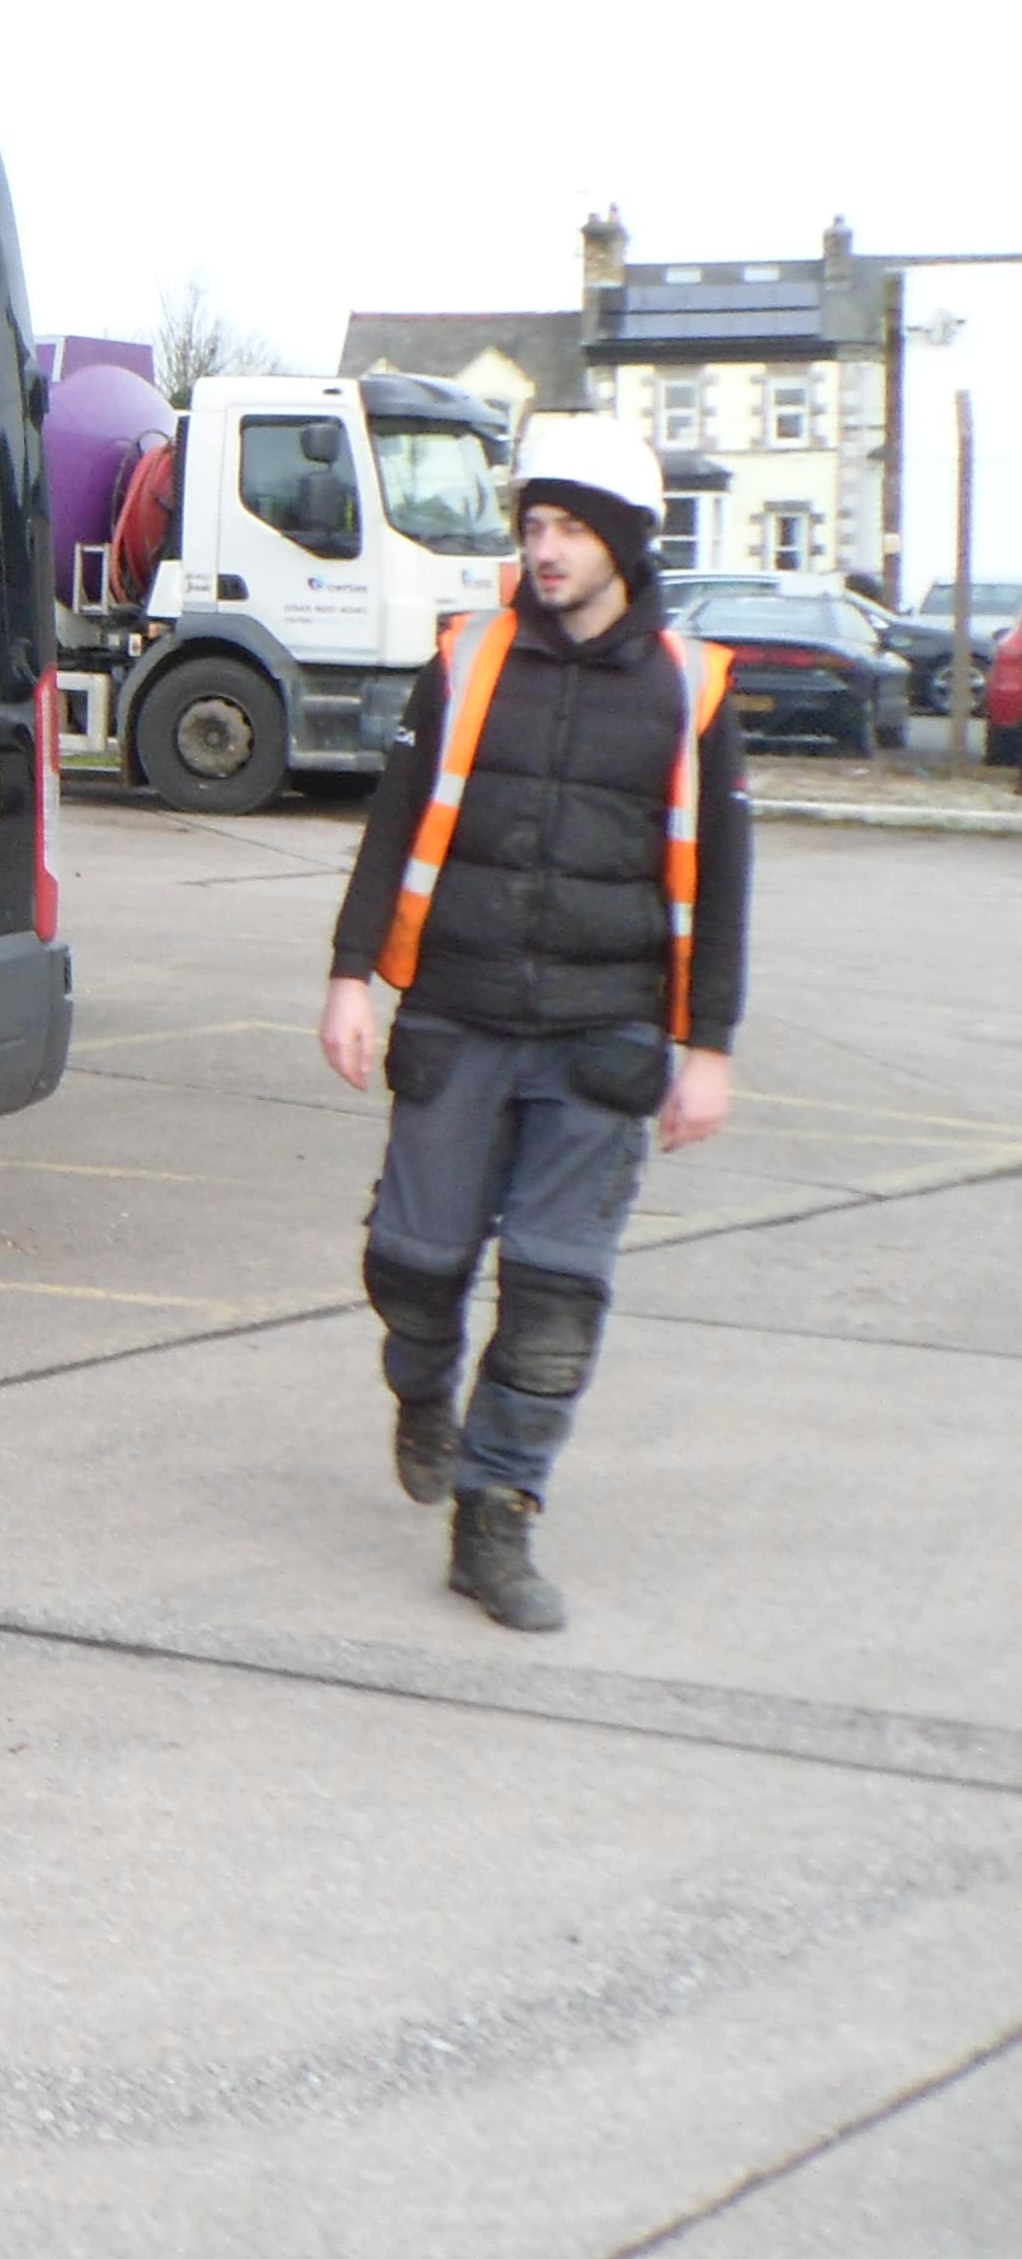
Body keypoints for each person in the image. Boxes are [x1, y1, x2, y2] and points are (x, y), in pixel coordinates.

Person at [316, 413, 751, 1634]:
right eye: (535, 525)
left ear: (621, 540)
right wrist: (353, 975)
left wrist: (707, 1047)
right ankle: (422, 1386)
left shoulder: (692, 688)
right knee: (414, 1264)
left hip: (604, 1043)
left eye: (569, 528)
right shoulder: (464, 662)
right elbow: (394, 819)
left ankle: (497, 1516)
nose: (545, 549)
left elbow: (725, 880)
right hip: (455, 1012)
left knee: (557, 1298)